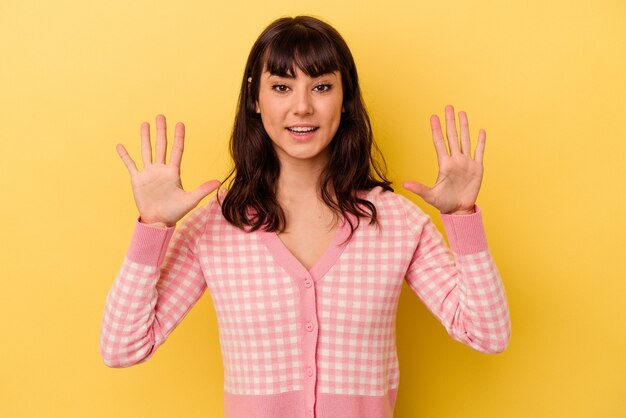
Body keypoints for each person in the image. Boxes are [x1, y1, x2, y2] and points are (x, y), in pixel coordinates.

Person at [99, 15, 510, 418]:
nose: (302, 107)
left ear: (346, 98)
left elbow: (487, 332)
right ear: (255, 99)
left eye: (322, 87)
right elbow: (122, 347)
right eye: (281, 87)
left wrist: (462, 218)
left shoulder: (396, 221)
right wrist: (154, 227)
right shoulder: (217, 224)